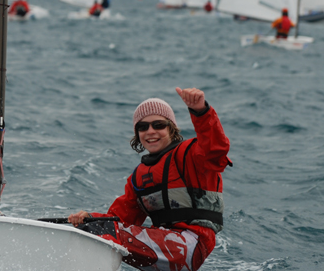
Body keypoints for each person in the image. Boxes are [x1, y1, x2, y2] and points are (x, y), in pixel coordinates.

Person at [68, 87, 231, 271]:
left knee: (101, 232)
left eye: (159, 125)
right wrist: (89, 218)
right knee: (89, 229)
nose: (150, 131)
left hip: (191, 244)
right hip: (164, 246)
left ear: (172, 128)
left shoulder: (191, 155)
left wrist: (201, 112)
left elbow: (216, 149)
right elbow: (120, 219)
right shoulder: (138, 178)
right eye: (143, 127)